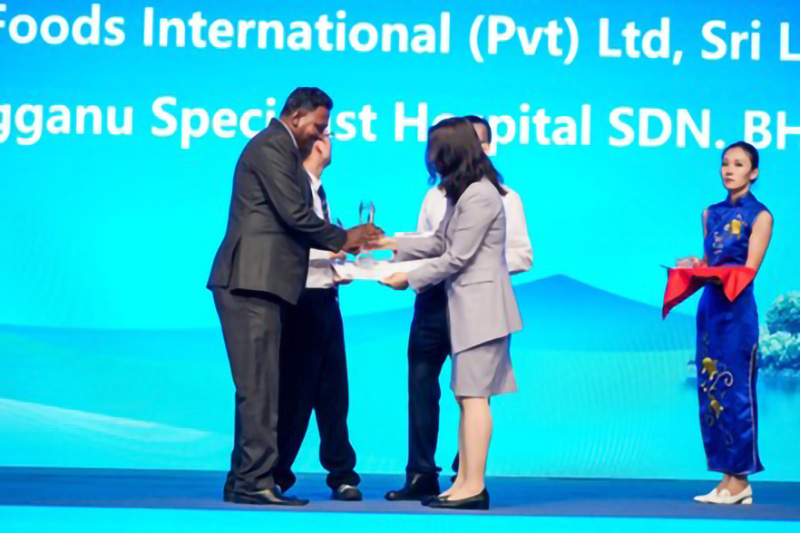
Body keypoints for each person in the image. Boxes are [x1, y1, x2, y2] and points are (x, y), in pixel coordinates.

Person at [207, 87, 379, 506]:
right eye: (319, 125)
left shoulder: (280, 148)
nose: (321, 134)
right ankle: (254, 482)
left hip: (263, 282)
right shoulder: (272, 147)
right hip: (250, 281)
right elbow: (295, 214)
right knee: (261, 388)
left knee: (260, 386)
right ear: (297, 115)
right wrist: (345, 238)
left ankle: (244, 478)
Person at [374, 117, 523, 510]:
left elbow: (456, 257)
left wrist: (408, 278)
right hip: (468, 311)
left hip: (481, 311)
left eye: (436, 151)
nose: (432, 160)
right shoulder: (465, 193)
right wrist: (388, 243)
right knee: (466, 397)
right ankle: (465, 484)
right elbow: (440, 241)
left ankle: (473, 486)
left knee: (474, 398)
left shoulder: (480, 195)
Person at [683, 142, 773, 505]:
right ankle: (726, 479)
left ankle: (742, 480)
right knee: (712, 393)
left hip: (737, 311)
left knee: (737, 394)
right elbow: (712, 261)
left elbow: (748, 270)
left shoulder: (760, 216)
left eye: (738, 164)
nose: (729, 170)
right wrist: (697, 266)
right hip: (711, 308)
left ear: (754, 173)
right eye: (725, 163)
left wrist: (715, 273)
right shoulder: (710, 213)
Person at [274, 132, 362, 502]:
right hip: (302, 300)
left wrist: (338, 265)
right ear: (319, 145)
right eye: (327, 134)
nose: (332, 142)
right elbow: (290, 245)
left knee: (334, 393)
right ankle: (275, 474)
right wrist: (335, 251)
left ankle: (342, 474)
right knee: (296, 393)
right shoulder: (294, 188)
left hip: (326, 298)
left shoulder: (317, 188)